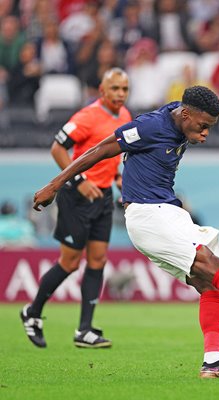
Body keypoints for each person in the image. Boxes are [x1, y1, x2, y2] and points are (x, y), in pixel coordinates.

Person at [31, 86, 219, 379]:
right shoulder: (150, 127)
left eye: (209, 126)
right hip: (147, 215)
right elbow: (100, 150)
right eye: (203, 126)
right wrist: (54, 186)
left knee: (210, 283)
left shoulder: (187, 113)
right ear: (185, 116)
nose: (206, 134)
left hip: (168, 212)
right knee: (212, 266)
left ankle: (213, 362)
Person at [20, 67, 131, 350]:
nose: (120, 94)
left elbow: (111, 156)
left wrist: (117, 177)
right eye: (115, 88)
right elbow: (57, 148)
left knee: (97, 260)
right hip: (77, 197)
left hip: (103, 197)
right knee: (69, 262)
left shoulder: (126, 116)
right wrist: (79, 179)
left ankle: (85, 330)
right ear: (102, 90)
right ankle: (32, 313)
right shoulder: (87, 116)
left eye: (124, 89)